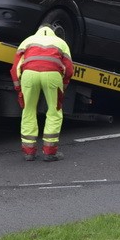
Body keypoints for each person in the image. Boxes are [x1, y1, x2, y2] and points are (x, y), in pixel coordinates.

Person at [11, 24, 74, 162]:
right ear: (53, 31)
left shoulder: (27, 41)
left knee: (28, 110)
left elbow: (15, 68)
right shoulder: (61, 42)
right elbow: (69, 69)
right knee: (54, 111)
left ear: (38, 30)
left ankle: (29, 152)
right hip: (52, 75)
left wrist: (19, 90)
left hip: (29, 74)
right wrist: (63, 87)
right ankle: (50, 152)